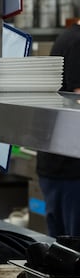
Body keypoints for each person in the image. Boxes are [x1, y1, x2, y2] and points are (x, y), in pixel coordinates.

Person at [37, 22, 80, 238]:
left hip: (60, 164)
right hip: (70, 168)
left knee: (64, 254)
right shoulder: (77, 42)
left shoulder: (69, 38)